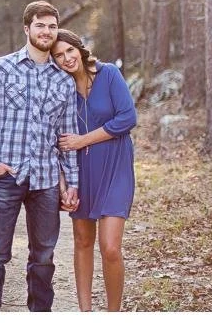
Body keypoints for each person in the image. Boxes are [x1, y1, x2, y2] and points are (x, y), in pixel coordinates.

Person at [0, 0, 79, 312]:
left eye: (52, 26)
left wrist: (72, 183)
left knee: (44, 256)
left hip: (45, 181)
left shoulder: (63, 80)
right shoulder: (0, 69)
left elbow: (66, 139)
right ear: (27, 28)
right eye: (40, 25)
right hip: (6, 177)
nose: (46, 31)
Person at [51, 29, 137, 312]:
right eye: (59, 56)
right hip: (81, 172)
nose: (66, 59)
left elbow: (127, 118)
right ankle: (85, 313)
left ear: (80, 48)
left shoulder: (109, 74)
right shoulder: (60, 90)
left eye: (69, 51)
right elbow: (56, 141)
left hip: (115, 169)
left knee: (110, 247)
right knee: (82, 240)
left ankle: (114, 314)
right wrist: (65, 185)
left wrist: (83, 140)